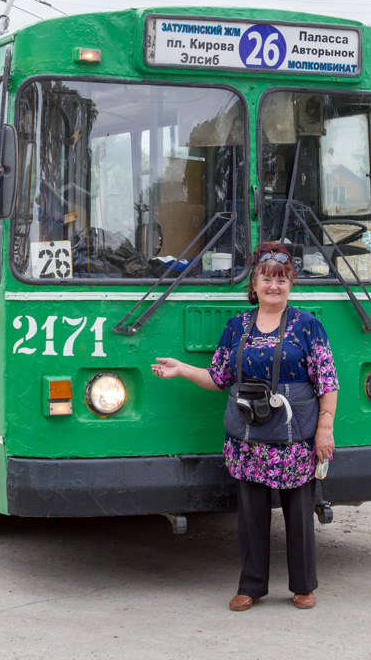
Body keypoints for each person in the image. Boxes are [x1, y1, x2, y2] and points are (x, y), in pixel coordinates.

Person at [151, 241, 338, 611]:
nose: (273, 286)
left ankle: (303, 586)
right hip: (248, 440)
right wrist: (182, 369)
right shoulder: (236, 326)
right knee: (250, 517)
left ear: (291, 285)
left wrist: (325, 428)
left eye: (281, 280)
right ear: (253, 284)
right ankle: (251, 586)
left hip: (295, 439)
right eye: (267, 278)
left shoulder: (307, 326)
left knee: (300, 515)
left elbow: (327, 382)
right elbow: (219, 377)